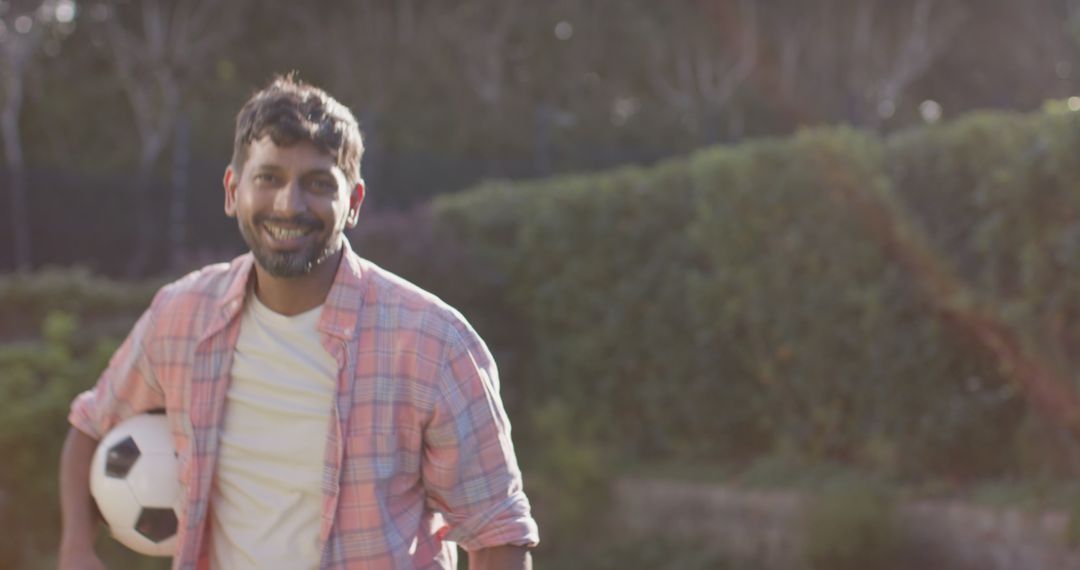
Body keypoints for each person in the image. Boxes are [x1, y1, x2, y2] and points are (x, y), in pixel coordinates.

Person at [57, 76, 538, 570]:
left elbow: (497, 531)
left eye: (318, 183)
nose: (289, 204)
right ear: (232, 190)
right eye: (268, 178)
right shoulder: (181, 316)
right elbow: (91, 423)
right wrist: (75, 547)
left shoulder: (433, 342)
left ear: (353, 203)